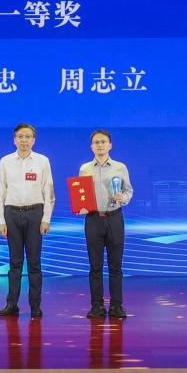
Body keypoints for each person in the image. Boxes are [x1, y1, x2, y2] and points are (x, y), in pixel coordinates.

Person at [0, 122, 54, 318]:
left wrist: (46, 218)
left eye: (28, 137)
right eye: (20, 137)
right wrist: (1, 220)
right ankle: (11, 304)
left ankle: (35, 306)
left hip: (35, 213)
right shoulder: (5, 161)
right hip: (11, 214)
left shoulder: (42, 161)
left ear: (33, 140)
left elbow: (49, 191)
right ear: (14, 140)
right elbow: (0, 191)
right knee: (15, 262)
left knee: (34, 262)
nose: (24, 140)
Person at [77, 129, 133, 318]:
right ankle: (97, 306)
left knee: (115, 266)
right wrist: (81, 206)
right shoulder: (85, 168)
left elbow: (129, 191)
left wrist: (123, 198)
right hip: (93, 219)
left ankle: (117, 306)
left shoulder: (120, 167)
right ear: (91, 146)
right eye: (96, 142)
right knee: (95, 266)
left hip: (114, 218)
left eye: (103, 142)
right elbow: (81, 194)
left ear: (110, 145)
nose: (100, 145)